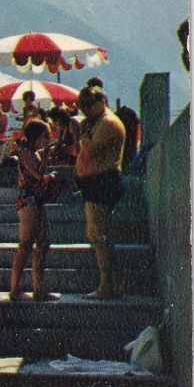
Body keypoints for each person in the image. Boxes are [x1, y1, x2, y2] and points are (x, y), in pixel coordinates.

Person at [75, 86, 126, 299]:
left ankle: (108, 285)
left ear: (100, 102)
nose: (85, 110)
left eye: (89, 105)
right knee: (96, 234)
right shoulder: (98, 122)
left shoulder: (107, 123)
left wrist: (83, 133)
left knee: (99, 235)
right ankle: (112, 284)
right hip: (95, 182)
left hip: (103, 181)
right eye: (82, 106)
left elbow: (91, 151)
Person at [10, 118, 61, 302]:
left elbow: (40, 171)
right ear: (38, 137)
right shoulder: (24, 153)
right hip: (28, 202)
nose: (49, 139)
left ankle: (38, 289)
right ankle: (15, 289)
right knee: (25, 245)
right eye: (46, 136)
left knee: (43, 244)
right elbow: (38, 175)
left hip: (37, 200)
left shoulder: (35, 153)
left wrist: (46, 157)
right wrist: (47, 158)